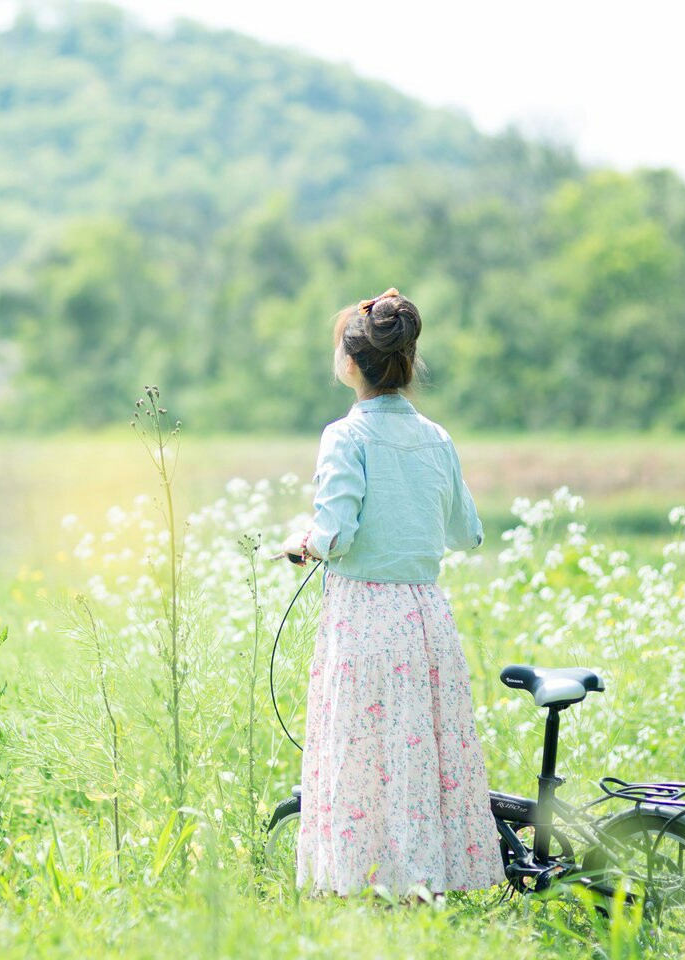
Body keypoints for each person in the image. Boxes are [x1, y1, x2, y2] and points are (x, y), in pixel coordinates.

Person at [280, 287, 505, 900]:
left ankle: (361, 881)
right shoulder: (437, 438)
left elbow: (335, 534)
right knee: (417, 750)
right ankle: (424, 879)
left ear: (351, 363)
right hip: (425, 616)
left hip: (364, 614)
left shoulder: (345, 436)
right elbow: (469, 532)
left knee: (361, 748)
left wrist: (305, 543)